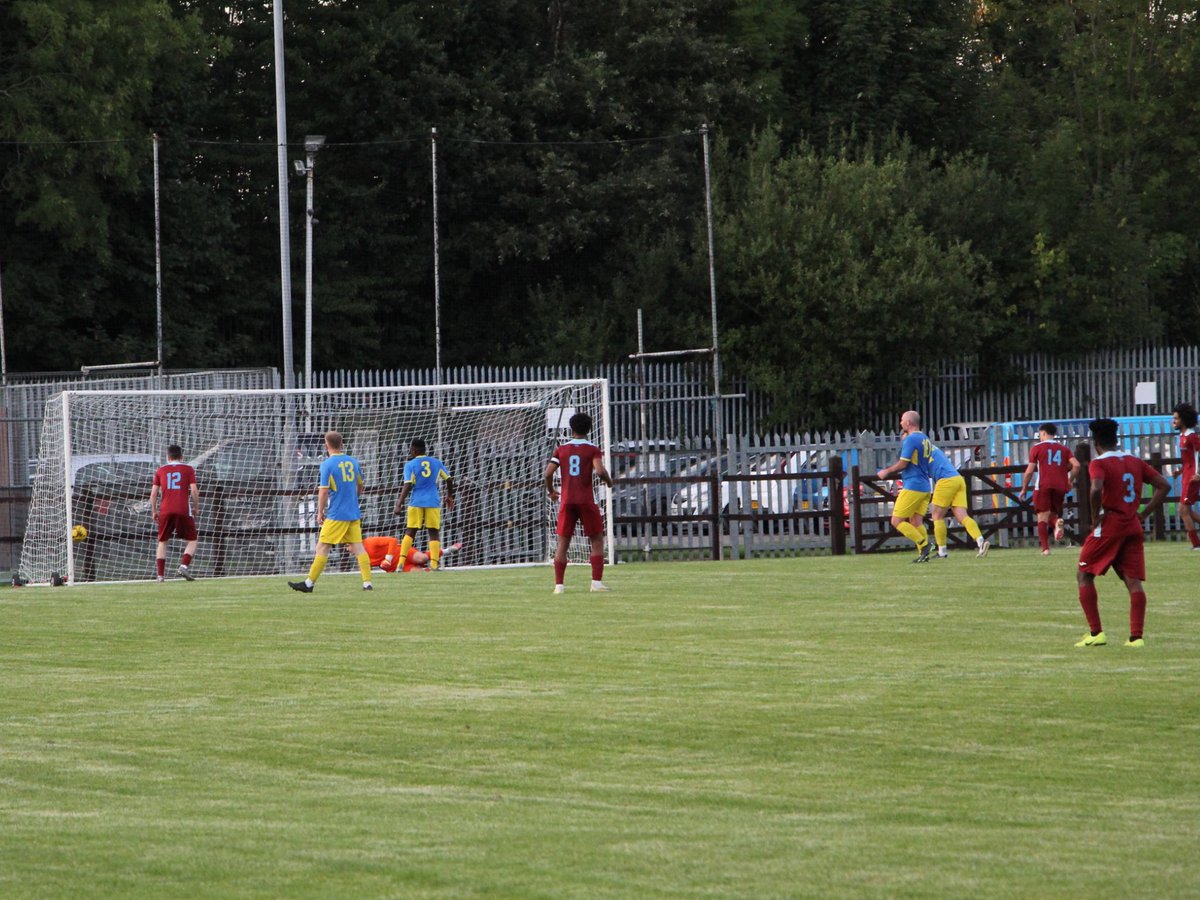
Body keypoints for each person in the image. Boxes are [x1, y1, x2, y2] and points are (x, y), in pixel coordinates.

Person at [1074, 418, 1169, 649]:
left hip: (1110, 525)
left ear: (1096, 443)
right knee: (1133, 581)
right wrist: (1143, 514)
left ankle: (1096, 633)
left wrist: (1095, 516)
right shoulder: (1134, 461)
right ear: (1116, 439)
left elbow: (1096, 488)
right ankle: (1136, 637)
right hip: (1132, 525)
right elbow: (1163, 485)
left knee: (1084, 574)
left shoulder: (1099, 463)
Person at [289, 430, 373, 593]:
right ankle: (367, 582)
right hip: (353, 512)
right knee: (358, 547)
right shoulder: (353, 462)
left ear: (326, 445)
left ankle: (309, 583)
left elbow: (323, 491)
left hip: (337, 513)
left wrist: (320, 512)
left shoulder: (327, 464)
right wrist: (353, 498)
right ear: (342, 444)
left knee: (322, 546)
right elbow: (360, 485)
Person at [544, 411, 613, 592]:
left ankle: (559, 586)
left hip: (567, 501)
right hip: (586, 500)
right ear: (589, 429)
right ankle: (596, 583)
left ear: (571, 428)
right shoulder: (592, 449)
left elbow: (548, 473)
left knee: (563, 543)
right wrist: (609, 481)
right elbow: (599, 471)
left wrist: (551, 491)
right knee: (597, 539)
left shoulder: (562, 449)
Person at [875, 410, 935, 563]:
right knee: (916, 522)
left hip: (913, 485)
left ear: (908, 422)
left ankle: (925, 545)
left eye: (902, 420)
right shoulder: (925, 438)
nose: (900, 423)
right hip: (925, 486)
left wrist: (886, 471)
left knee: (896, 521)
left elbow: (903, 463)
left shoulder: (911, 439)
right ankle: (924, 554)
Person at [1016, 423, 1080, 555]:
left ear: (1044, 433)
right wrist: (1070, 480)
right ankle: (1057, 522)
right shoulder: (1063, 449)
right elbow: (1077, 466)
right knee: (1052, 515)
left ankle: (1045, 549)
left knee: (1041, 517)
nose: (1039, 436)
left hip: (1043, 485)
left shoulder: (1037, 448)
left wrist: (1023, 488)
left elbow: (1029, 471)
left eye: (1040, 434)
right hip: (1060, 486)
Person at [392, 439, 455, 570]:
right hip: (433, 501)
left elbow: (408, 485)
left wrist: (399, 503)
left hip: (416, 501)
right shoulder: (436, 463)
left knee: (411, 531)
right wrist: (449, 496)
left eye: (411, 449)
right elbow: (449, 479)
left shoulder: (410, 465)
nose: (410, 451)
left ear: (414, 450)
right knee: (433, 532)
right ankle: (434, 564)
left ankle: (400, 563)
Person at [926, 441, 991, 558]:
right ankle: (980, 541)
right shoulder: (931, 447)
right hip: (957, 478)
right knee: (963, 516)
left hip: (945, 480)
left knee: (936, 516)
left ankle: (942, 551)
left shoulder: (917, 448)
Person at [150, 444, 200, 582]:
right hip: (183, 509)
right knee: (192, 539)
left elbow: (153, 494)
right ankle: (184, 565)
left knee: (162, 541)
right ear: (182, 456)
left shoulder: (160, 470)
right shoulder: (188, 469)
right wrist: (196, 508)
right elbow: (194, 490)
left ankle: (160, 576)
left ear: (168, 457)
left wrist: (154, 511)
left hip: (165, 510)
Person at [1172, 402, 1200, 550]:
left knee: (1182, 510)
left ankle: (1196, 544)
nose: (1173, 422)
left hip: (1193, 478)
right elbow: (1190, 459)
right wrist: (1180, 470)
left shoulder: (1192, 436)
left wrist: (1199, 474)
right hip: (1186, 476)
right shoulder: (1182, 436)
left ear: (1183, 419)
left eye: (1175, 418)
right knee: (1188, 512)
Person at [362, 535, 462, 573]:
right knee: (421, 574)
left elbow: (393, 540)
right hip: (397, 568)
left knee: (422, 558)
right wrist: (384, 566)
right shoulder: (361, 558)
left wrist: (388, 559)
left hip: (402, 553)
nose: (348, 550)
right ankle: (438, 572)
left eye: (348, 546)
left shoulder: (370, 542)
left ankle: (447, 551)